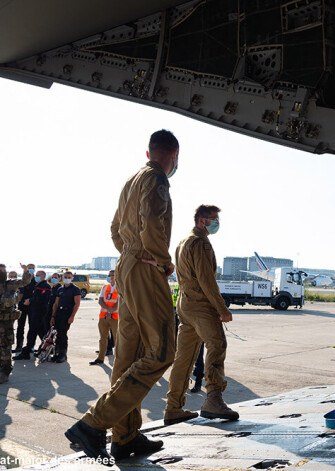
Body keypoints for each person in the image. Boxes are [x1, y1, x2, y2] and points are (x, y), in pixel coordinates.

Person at [65, 129, 179, 462]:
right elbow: (152, 224)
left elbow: (116, 228)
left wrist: (129, 252)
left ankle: (125, 436)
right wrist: (161, 259)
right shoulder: (158, 179)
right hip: (145, 267)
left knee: (128, 354)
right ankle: (94, 423)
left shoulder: (131, 181)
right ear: (173, 156)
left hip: (127, 264)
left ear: (149, 152)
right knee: (161, 351)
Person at [164, 204, 238, 425]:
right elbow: (207, 280)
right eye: (212, 219)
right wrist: (221, 308)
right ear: (200, 220)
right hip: (200, 304)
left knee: (184, 357)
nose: (216, 223)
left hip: (185, 303)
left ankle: (173, 407)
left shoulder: (183, 242)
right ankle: (213, 400)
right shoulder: (201, 243)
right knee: (217, 345)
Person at [0, 264, 32, 383]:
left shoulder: (10, 284)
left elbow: (25, 281)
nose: (1, 273)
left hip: (6, 322)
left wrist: (25, 270)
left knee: (5, 346)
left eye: (3, 271)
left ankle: (5, 371)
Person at [14, 270, 51, 360]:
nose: (36, 277)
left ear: (44, 276)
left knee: (33, 331)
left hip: (39, 311)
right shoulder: (38, 285)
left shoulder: (45, 286)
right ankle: (45, 348)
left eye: (38, 275)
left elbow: (42, 299)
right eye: (36, 275)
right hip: (35, 310)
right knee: (40, 331)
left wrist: (30, 301)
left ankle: (28, 351)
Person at [50, 271, 81, 363]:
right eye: (65, 277)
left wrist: (72, 316)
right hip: (59, 313)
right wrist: (53, 316)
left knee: (63, 334)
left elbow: (77, 304)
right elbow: (56, 303)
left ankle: (63, 354)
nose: (67, 279)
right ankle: (57, 353)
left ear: (72, 278)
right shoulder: (60, 289)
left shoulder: (75, 289)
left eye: (69, 277)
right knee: (56, 334)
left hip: (67, 313)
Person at [89, 270, 118, 365]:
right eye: (109, 275)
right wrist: (109, 310)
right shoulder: (105, 287)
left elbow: (120, 302)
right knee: (103, 338)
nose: (109, 277)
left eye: (111, 275)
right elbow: (100, 300)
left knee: (118, 339)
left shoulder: (121, 287)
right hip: (103, 317)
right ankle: (100, 358)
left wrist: (111, 311)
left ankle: (119, 360)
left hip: (115, 317)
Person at [13, 263, 35, 353]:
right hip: (22, 306)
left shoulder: (36, 281)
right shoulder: (22, 281)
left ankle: (30, 346)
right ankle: (19, 346)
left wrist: (30, 300)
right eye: (29, 268)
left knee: (32, 327)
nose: (30, 269)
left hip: (32, 306)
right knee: (20, 327)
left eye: (32, 268)